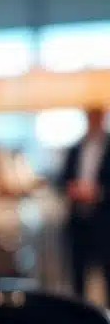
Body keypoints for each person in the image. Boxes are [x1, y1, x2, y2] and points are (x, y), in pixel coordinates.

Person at [58, 106, 110, 300]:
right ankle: (79, 314)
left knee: (107, 273)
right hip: (78, 220)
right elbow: (62, 179)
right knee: (77, 275)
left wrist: (99, 193)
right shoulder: (75, 147)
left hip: (104, 221)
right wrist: (72, 188)